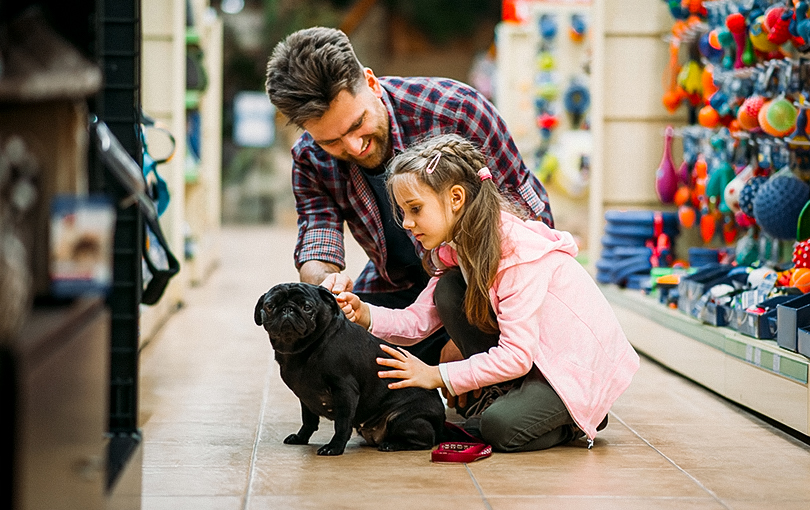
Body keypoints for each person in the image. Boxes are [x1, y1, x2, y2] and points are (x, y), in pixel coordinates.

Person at [264, 27, 553, 367]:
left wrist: (470, 337)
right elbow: (318, 237)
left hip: (485, 285)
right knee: (335, 344)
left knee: (462, 309)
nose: (354, 147)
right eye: (332, 142)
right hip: (400, 287)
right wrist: (326, 286)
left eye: (358, 124)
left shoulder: (456, 111)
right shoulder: (310, 157)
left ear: (371, 83)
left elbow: (529, 227)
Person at [336, 133, 640, 451]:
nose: (407, 223)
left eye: (415, 209)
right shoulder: (457, 250)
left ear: (456, 198)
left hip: (573, 368)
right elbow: (417, 323)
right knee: (449, 291)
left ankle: (578, 418)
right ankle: (513, 397)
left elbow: (516, 357)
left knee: (498, 428)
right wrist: (364, 313)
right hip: (535, 359)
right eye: (403, 212)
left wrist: (436, 375)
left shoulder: (516, 255)